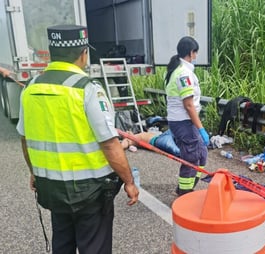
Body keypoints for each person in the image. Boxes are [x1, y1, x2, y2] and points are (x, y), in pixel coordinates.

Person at [16, 24, 139, 254]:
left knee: (62, 243)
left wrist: (34, 172)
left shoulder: (31, 88)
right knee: (94, 247)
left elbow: (25, 138)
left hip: (51, 187)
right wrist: (129, 182)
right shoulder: (88, 89)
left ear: (52, 53)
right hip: (90, 192)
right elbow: (109, 143)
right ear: (83, 54)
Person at [164, 36, 209, 196]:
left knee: (201, 153)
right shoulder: (183, 74)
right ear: (191, 53)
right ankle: (184, 192)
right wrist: (201, 128)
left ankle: (188, 187)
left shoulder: (180, 70)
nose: (196, 57)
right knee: (192, 157)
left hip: (184, 121)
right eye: (196, 53)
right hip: (183, 122)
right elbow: (188, 105)